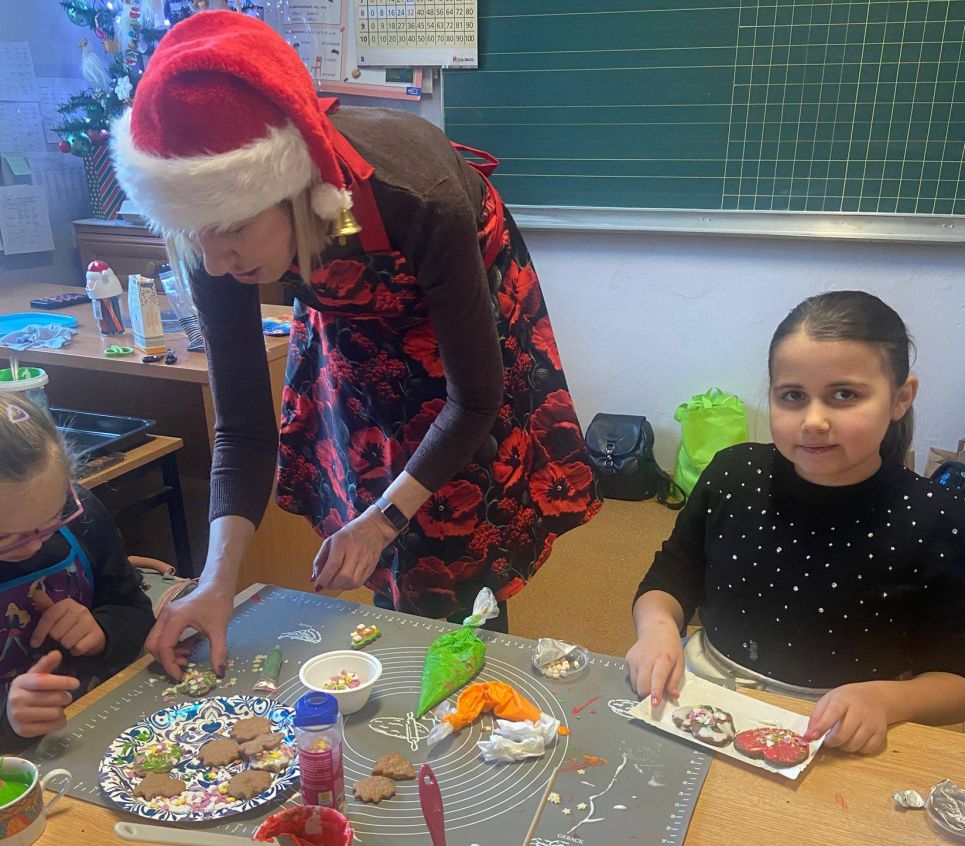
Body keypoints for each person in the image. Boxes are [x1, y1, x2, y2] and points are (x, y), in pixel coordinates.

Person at [111, 10, 600, 679]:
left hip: (458, 300)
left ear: (290, 191)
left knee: (451, 529)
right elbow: (244, 427)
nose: (216, 262)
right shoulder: (211, 236)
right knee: (367, 491)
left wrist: (384, 519)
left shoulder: (419, 196)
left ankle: (470, 665)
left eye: (234, 232)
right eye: (196, 239)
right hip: (346, 299)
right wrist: (217, 580)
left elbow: (474, 400)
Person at [626, 291, 965, 754]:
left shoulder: (939, 519)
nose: (814, 421)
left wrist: (888, 700)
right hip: (705, 689)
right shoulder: (732, 474)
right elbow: (667, 581)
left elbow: (955, 679)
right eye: (793, 396)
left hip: (839, 726)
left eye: (844, 395)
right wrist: (657, 629)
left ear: (900, 398)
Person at [0, 397, 155, 748]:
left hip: (99, 720)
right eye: (5, 537)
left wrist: (104, 631)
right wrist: (8, 721)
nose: (33, 546)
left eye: (51, 520)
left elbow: (135, 611)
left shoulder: (82, 515)